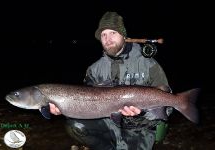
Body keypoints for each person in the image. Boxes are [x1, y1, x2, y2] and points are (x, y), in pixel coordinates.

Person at [50, 11, 172, 150]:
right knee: (75, 126)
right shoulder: (94, 69)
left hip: (140, 129)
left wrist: (141, 113)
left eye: (113, 32)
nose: (108, 39)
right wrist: (63, 107)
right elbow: (87, 102)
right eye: (103, 35)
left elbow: (167, 109)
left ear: (123, 35)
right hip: (109, 123)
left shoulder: (149, 64)